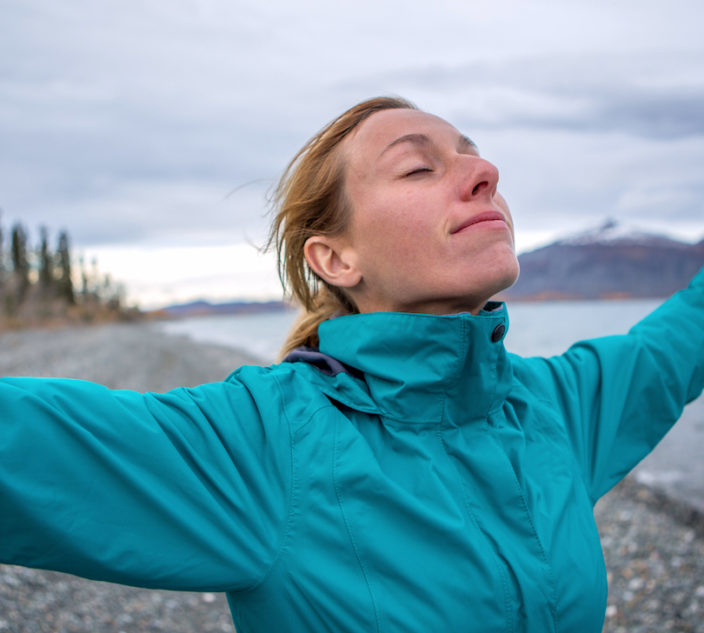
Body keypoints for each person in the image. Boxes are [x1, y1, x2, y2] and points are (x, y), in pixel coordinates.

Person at [1, 96, 703, 633]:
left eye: (474, 157)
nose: (485, 173)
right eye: (419, 166)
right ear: (335, 258)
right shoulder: (265, 446)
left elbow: (678, 341)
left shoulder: (554, 406)